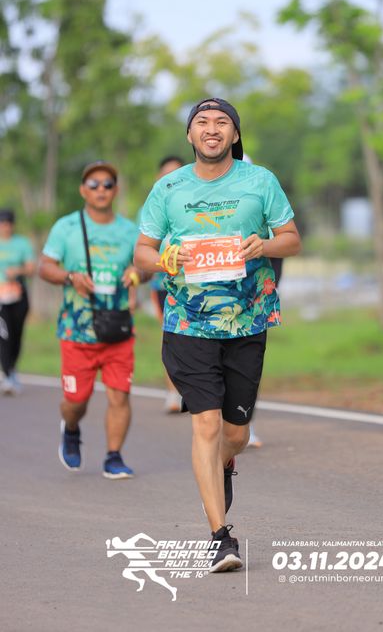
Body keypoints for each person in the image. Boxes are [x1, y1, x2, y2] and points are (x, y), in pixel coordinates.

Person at [134, 97, 301, 572]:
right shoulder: (169, 188)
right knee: (205, 424)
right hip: (188, 322)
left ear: (234, 134)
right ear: (190, 135)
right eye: (202, 122)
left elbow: (292, 239)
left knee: (236, 434)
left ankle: (226, 462)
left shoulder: (260, 181)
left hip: (246, 321)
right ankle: (220, 537)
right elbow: (142, 252)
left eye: (222, 122)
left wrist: (263, 245)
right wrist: (166, 259)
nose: (212, 129)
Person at [39, 161, 147, 479]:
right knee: (76, 400)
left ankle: (114, 456)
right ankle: (71, 427)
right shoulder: (66, 227)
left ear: (116, 190)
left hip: (118, 327)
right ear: (83, 190)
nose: (101, 189)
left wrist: (137, 273)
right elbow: (45, 267)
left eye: (108, 184)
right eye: (94, 184)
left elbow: (146, 266)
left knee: (119, 395)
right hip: (77, 330)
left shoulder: (129, 230)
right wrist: (70, 277)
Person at [149, 155, 185, 414]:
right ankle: (173, 392)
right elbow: (141, 250)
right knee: (171, 338)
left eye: (177, 173)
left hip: (195, 284)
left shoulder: (197, 203)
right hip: (163, 286)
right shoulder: (152, 207)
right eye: (166, 174)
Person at [0, 209, 35, 395]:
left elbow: (31, 268)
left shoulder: (22, 243)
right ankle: (7, 375)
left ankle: (12, 369)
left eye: (8, 223)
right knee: (4, 335)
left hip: (18, 295)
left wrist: (17, 271)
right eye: (2, 223)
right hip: (0, 298)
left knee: (16, 334)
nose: (5, 226)